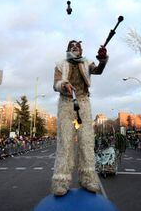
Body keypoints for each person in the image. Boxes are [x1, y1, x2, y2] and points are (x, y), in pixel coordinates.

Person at [51, 40, 108, 196]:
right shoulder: (60, 64)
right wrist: (64, 85)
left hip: (83, 102)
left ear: (81, 50)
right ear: (68, 49)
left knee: (86, 141)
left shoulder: (86, 62)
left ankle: (88, 179)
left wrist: (103, 60)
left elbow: (98, 70)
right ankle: (60, 182)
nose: (75, 48)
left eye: (77, 46)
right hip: (65, 104)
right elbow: (55, 84)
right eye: (72, 46)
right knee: (65, 142)